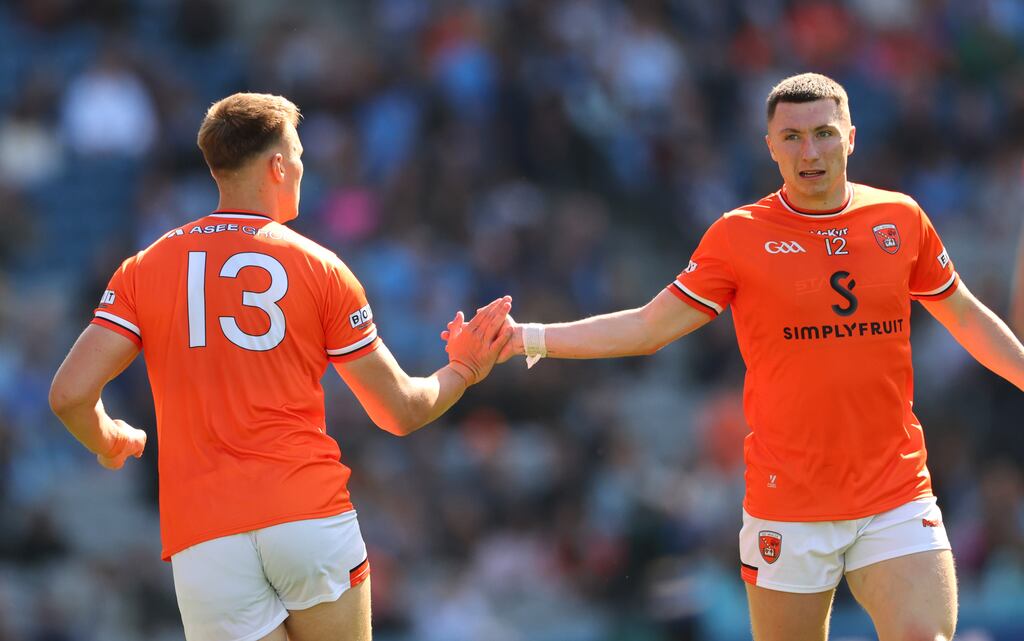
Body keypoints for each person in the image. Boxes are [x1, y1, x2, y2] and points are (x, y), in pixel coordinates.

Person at [451, 73, 1024, 641]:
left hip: (895, 493)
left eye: (823, 133)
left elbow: (968, 317)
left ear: (851, 137)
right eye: (792, 137)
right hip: (788, 502)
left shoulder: (901, 219)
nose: (810, 151)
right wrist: (528, 337)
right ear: (769, 146)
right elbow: (650, 327)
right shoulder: (739, 235)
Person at [49, 92, 511, 641]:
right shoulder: (321, 266)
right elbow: (400, 411)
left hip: (204, 535)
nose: (301, 166)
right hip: (307, 515)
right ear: (276, 165)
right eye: (297, 153)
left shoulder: (144, 268)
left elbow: (69, 395)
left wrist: (109, 440)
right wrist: (464, 369)